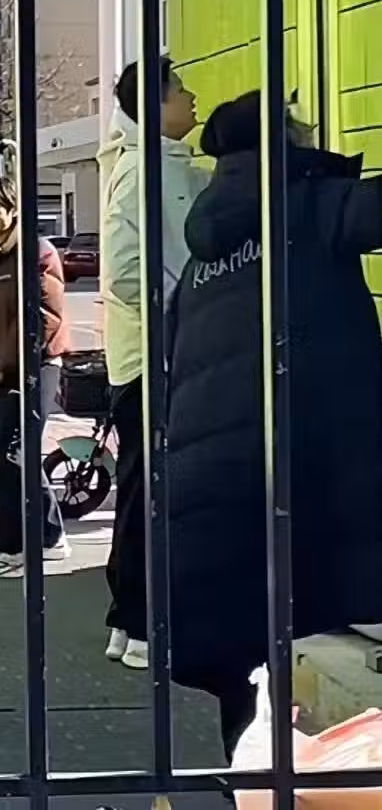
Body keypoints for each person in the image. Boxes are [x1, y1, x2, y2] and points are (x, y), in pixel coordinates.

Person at [163, 89, 382, 767]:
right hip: (305, 479)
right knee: (321, 667)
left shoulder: (203, 256)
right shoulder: (311, 204)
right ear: (285, 142)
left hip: (211, 497)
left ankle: (257, 787)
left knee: (248, 676)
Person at [98, 57, 209, 669]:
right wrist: (181, 307)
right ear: (155, 104)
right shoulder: (142, 170)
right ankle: (142, 623)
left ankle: (128, 619)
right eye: (180, 89)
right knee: (152, 492)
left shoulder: (162, 164)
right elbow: (123, 270)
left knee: (143, 489)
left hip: (157, 355)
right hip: (154, 359)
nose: (192, 98)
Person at [0, 176, 71, 578]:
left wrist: (3, 369)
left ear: (14, 210)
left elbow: (40, 320)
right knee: (15, 454)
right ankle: (50, 536)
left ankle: (9, 549)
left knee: (9, 454)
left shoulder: (35, 253)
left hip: (32, 369)